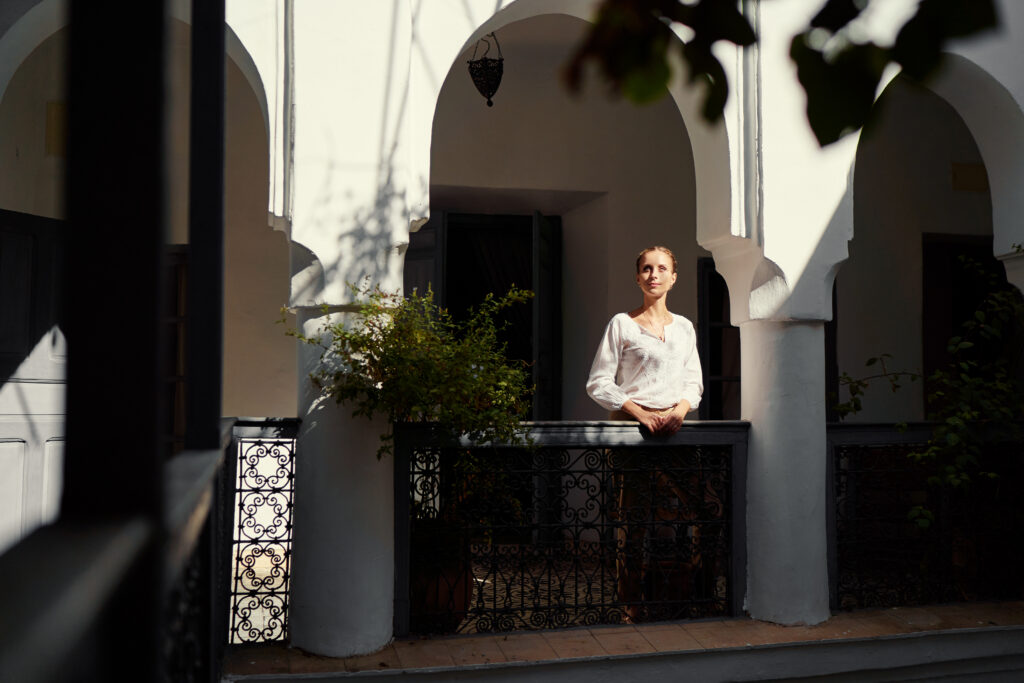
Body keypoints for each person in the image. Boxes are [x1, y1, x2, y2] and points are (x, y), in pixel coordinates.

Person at [585, 245, 705, 622]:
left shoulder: (684, 327)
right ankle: (631, 604)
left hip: (676, 430)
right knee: (631, 521)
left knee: (707, 511)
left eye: (661, 269)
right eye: (646, 269)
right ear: (638, 277)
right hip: (633, 432)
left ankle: (700, 594)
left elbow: (693, 381)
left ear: (673, 277)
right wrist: (637, 412)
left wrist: (679, 411)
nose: (654, 275)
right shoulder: (622, 323)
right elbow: (598, 383)